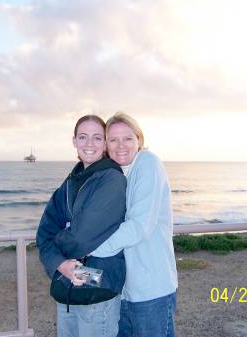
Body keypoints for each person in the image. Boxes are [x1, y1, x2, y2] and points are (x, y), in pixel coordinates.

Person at [36, 115, 127, 337]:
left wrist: (57, 245)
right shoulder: (70, 182)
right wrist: (61, 264)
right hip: (66, 288)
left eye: (97, 138)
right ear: (74, 141)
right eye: (83, 137)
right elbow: (43, 233)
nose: (89, 144)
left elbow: (80, 238)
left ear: (105, 143)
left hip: (98, 290)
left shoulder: (112, 179)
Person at [92, 112, 178, 337]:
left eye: (128, 138)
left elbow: (139, 227)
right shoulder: (115, 175)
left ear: (139, 140)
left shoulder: (148, 163)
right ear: (106, 146)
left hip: (151, 291)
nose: (121, 145)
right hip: (124, 291)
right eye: (113, 139)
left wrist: (88, 250)